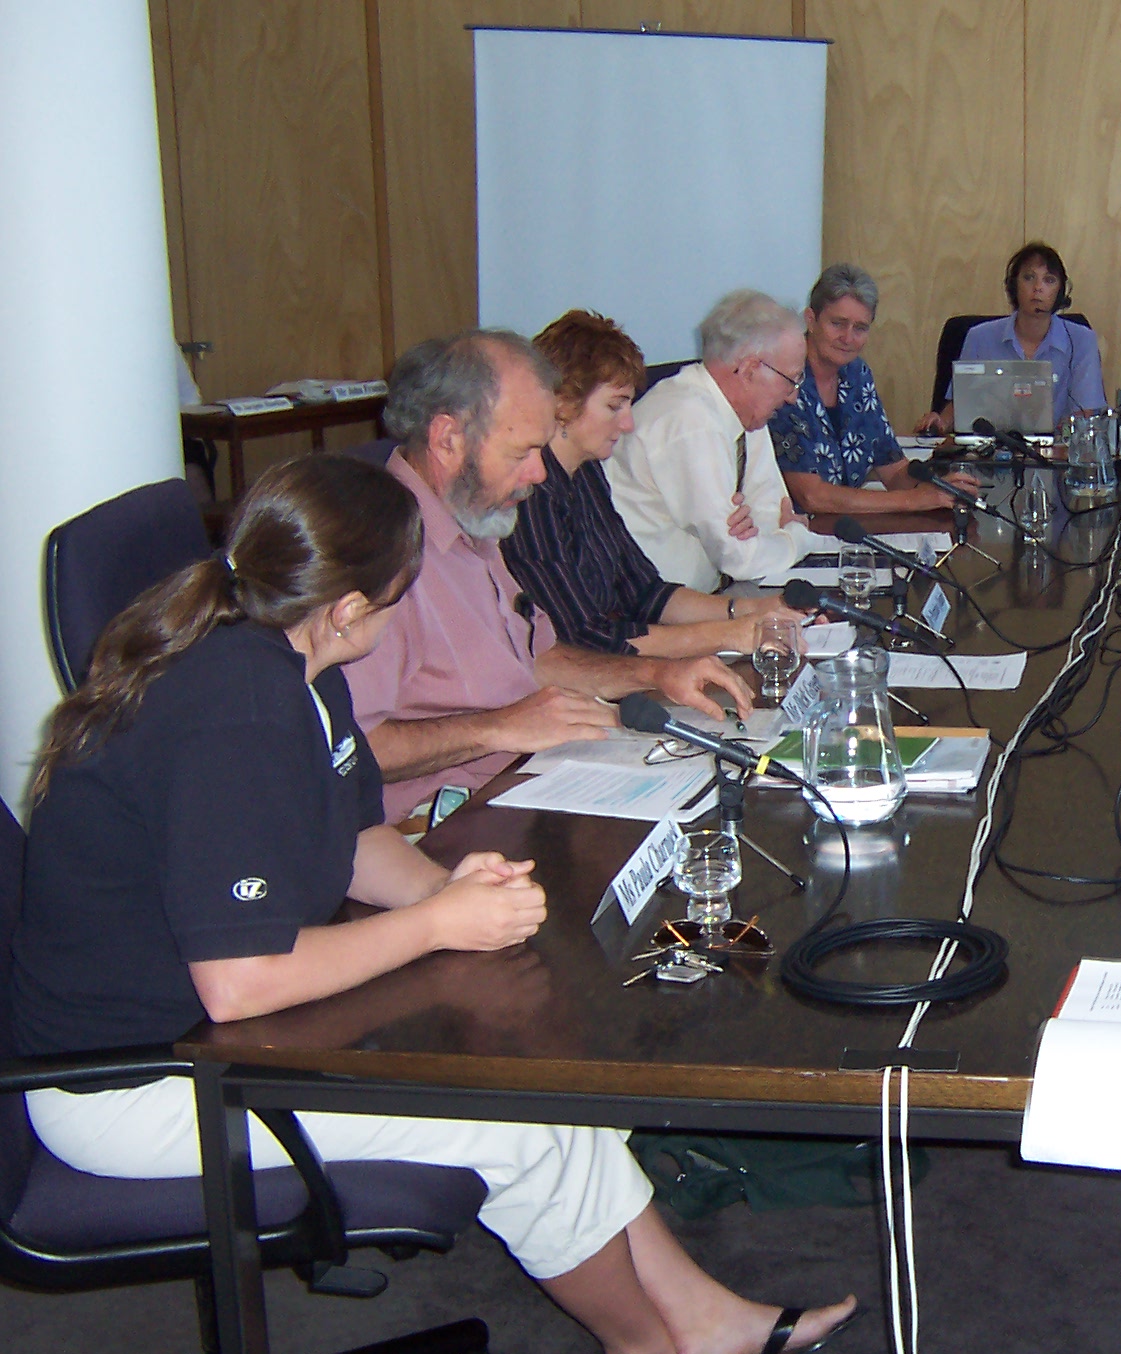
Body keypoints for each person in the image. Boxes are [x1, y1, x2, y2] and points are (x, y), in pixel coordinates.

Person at [10, 456, 858, 1354]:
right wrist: (432, 927)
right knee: (515, 1115)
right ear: (348, 609)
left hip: (212, 1034)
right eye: (397, 596)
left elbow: (345, 835)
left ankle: (698, 1317)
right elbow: (239, 982)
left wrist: (444, 890)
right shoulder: (237, 708)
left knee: (541, 1061)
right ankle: (644, 1343)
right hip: (141, 1083)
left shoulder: (296, 662)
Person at [346, 329, 756, 825]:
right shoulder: (370, 555)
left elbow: (538, 660)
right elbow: (349, 750)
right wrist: (498, 729)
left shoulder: (475, 521)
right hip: (439, 827)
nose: (539, 474)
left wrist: (655, 674)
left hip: (534, 781)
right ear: (448, 440)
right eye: (521, 453)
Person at [503, 310, 804, 658]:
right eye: (614, 406)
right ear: (563, 402)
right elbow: (584, 636)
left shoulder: (587, 474)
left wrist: (758, 609)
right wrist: (728, 634)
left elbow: (645, 592)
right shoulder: (530, 496)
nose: (629, 423)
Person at [607, 290, 815, 589]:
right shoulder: (689, 420)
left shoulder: (747, 416)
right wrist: (798, 537)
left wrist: (774, 535)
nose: (794, 397)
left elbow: (773, 514)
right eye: (792, 380)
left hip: (712, 599)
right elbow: (740, 558)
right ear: (750, 370)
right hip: (654, 615)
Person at [769, 264, 976, 515]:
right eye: (838, 323)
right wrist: (916, 500)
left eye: (860, 328)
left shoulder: (857, 374)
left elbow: (895, 472)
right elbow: (813, 496)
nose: (848, 338)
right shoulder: (783, 377)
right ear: (811, 320)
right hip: (794, 534)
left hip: (848, 531)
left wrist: (941, 486)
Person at [919, 241, 1106, 434]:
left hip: (1057, 455)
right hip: (990, 454)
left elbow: (1087, 414)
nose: (1038, 287)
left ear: (1061, 290)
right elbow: (961, 405)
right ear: (1013, 285)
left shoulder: (1082, 340)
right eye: (1028, 278)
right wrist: (940, 421)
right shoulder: (979, 337)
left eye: (1049, 280)